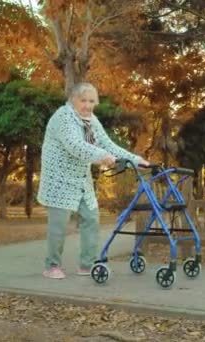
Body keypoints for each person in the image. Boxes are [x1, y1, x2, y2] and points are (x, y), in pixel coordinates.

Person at [37, 82, 149, 279]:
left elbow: (107, 144)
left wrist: (136, 160)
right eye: (83, 100)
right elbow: (75, 145)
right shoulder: (63, 117)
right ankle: (52, 266)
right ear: (73, 100)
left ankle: (87, 265)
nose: (88, 105)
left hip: (81, 180)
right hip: (59, 181)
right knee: (59, 225)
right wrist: (102, 156)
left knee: (91, 219)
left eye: (91, 101)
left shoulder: (90, 120)